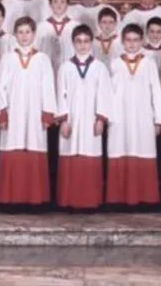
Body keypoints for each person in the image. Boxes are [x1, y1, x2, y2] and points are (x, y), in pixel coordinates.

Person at [107, 24, 161, 206]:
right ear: (122, 41)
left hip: (143, 117)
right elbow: (108, 91)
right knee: (120, 150)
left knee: (143, 150)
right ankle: (118, 197)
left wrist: (159, 119)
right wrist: (109, 117)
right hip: (120, 118)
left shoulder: (149, 63)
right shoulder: (115, 63)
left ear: (142, 41)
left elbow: (156, 91)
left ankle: (145, 196)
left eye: (136, 40)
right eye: (128, 40)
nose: (132, 44)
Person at [0, 16, 57, 205]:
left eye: (28, 32)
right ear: (15, 34)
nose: (24, 36)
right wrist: (2, 113)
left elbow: (48, 87)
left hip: (35, 114)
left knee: (34, 147)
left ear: (34, 34)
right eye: (20, 32)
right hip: (13, 114)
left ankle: (35, 199)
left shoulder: (42, 59)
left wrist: (48, 113)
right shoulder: (7, 59)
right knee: (12, 148)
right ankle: (10, 199)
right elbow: (0, 88)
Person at [56, 25, 112, 209]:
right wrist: (63, 120)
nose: (82, 45)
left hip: (90, 121)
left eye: (86, 41)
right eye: (78, 42)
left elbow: (105, 94)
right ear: (73, 43)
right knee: (70, 153)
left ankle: (90, 200)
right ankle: (69, 200)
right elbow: (60, 94)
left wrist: (101, 119)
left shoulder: (99, 67)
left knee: (90, 155)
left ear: (91, 43)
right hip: (71, 121)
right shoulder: (65, 67)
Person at [35, 0, 79, 76]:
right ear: (50, 4)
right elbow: (35, 50)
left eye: (62, 2)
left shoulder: (75, 26)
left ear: (67, 4)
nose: (59, 5)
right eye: (55, 1)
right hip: (46, 71)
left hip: (70, 71)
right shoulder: (41, 27)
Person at [93, 7, 122, 73]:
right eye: (104, 22)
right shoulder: (94, 42)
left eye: (111, 22)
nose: (107, 25)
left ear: (115, 24)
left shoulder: (120, 41)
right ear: (99, 24)